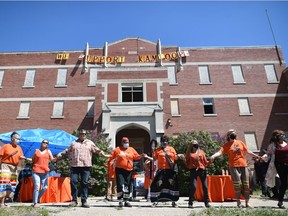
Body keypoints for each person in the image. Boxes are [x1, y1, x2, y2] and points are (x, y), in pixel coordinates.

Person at [57, 129, 109, 208]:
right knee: (73, 182)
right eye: (81, 134)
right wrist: (61, 153)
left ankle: (84, 201)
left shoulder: (90, 143)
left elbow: (97, 149)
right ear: (79, 134)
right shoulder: (74, 143)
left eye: (84, 134)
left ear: (86, 135)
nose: (82, 135)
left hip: (86, 166)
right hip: (75, 166)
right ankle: (74, 200)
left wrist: (103, 154)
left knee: (84, 183)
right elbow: (67, 150)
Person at [210, 129, 260, 208]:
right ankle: (238, 202)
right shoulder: (226, 145)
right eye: (231, 132)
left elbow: (248, 151)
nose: (233, 133)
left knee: (246, 184)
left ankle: (247, 202)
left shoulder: (240, 142)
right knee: (237, 185)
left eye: (234, 132)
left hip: (243, 165)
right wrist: (213, 156)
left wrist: (256, 155)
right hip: (233, 166)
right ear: (228, 135)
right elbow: (220, 152)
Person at [107, 137, 147, 208]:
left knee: (127, 185)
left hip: (129, 170)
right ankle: (120, 200)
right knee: (120, 184)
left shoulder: (131, 149)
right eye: (125, 142)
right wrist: (107, 162)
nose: (126, 144)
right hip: (120, 170)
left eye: (127, 142)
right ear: (122, 143)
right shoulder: (117, 149)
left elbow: (136, 157)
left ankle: (126, 200)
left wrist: (141, 155)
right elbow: (111, 157)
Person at [150, 135, 182, 207]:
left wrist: (179, 156)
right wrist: (152, 152)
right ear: (161, 142)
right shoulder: (158, 150)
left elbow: (175, 158)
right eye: (163, 141)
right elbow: (154, 159)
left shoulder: (171, 149)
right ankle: (155, 201)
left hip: (170, 170)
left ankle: (174, 201)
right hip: (161, 170)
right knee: (157, 184)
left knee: (172, 185)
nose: (165, 142)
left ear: (168, 142)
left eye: (166, 141)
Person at [0, 131, 27, 208]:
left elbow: (20, 156)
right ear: (12, 139)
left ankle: (4, 202)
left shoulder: (19, 148)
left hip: (14, 167)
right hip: (5, 165)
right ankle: (1, 203)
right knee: (4, 183)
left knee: (11, 184)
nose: (18, 140)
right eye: (17, 139)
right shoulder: (6, 146)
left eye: (19, 139)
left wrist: (23, 158)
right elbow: (0, 156)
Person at [31, 139, 58, 207]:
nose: (45, 143)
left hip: (44, 172)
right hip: (36, 171)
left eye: (47, 143)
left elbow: (52, 160)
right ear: (41, 143)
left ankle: (36, 199)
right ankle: (35, 203)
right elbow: (33, 160)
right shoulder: (36, 151)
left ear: (47, 145)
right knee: (37, 186)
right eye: (44, 142)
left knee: (45, 187)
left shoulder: (48, 151)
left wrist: (57, 157)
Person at [185, 140, 211, 208]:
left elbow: (205, 162)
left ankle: (207, 203)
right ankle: (190, 203)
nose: (196, 146)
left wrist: (211, 161)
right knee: (193, 186)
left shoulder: (201, 152)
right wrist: (183, 160)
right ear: (191, 146)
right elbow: (187, 163)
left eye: (196, 144)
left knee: (205, 187)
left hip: (202, 170)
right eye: (194, 144)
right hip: (193, 170)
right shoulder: (189, 153)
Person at [272, 130, 288, 209]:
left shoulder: (286, 143)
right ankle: (280, 201)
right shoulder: (274, 145)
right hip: (280, 166)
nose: (283, 136)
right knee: (284, 183)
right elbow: (269, 154)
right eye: (281, 135)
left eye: (283, 135)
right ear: (277, 137)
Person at [263, 130, 280, 199]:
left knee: (276, 178)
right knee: (272, 178)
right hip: (274, 163)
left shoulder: (283, 144)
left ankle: (277, 193)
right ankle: (276, 193)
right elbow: (268, 155)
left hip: (280, 162)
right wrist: (264, 157)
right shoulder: (271, 145)